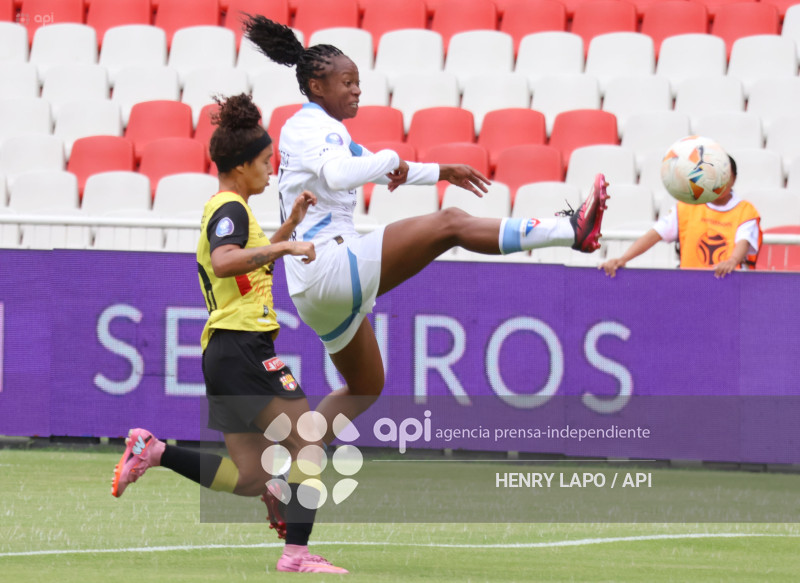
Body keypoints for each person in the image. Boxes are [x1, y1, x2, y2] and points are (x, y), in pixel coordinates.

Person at [242, 14, 609, 438]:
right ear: (317, 87)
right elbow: (342, 173)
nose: (357, 89)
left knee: (365, 387)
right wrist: (391, 160)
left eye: (357, 80)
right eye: (348, 82)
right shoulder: (312, 127)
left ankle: (291, 470)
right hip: (328, 263)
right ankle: (570, 231)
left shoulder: (319, 128)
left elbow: (377, 169)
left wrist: (440, 170)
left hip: (311, 289)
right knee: (450, 223)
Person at [110, 94, 348, 574]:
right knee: (309, 441)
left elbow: (238, 263)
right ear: (241, 166)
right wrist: (288, 248)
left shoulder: (230, 208)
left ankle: (153, 451)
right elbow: (225, 260)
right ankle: (297, 555)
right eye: (265, 162)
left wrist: (288, 228)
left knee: (248, 477)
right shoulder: (231, 208)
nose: (270, 170)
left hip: (225, 351)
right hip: (243, 346)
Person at [600, 156, 762, 279]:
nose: (719, 181)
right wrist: (623, 259)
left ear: (734, 179)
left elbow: (743, 241)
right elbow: (654, 234)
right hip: (689, 284)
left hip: (728, 284)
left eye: (725, 176)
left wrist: (732, 261)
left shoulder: (746, 211)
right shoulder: (686, 207)